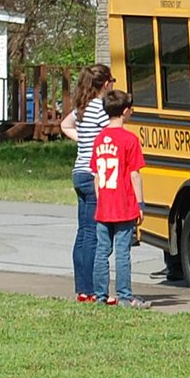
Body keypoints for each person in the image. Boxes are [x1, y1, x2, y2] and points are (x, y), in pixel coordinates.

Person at [90, 90, 151, 309]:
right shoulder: (129, 139)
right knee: (123, 252)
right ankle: (124, 296)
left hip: (104, 204)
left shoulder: (99, 139)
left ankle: (100, 295)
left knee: (102, 251)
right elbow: (134, 174)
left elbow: (97, 175)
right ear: (125, 111)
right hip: (124, 204)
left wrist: (100, 199)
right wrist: (140, 204)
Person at [60, 64, 114, 302]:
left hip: (79, 172)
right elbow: (112, 134)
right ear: (104, 84)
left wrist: (84, 141)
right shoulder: (101, 109)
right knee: (93, 233)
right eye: (111, 80)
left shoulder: (82, 108)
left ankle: (82, 289)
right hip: (94, 175)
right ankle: (92, 289)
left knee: (83, 233)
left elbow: (64, 125)